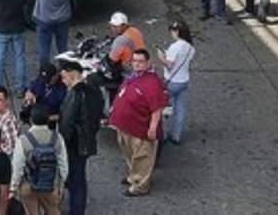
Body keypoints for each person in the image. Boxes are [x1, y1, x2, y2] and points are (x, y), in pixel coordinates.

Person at [108, 49, 167, 197]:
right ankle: (133, 177)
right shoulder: (132, 77)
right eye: (134, 61)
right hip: (124, 127)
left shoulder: (152, 83)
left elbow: (157, 109)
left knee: (142, 158)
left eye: (141, 61)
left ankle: (140, 186)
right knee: (131, 155)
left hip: (140, 130)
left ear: (148, 63)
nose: (137, 64)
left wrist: (153, 128)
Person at [57, 60, 103, 215]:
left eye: (64, 77)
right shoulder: (93, 91)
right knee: (79, 179)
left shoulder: (75, 94)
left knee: (75, 180)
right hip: (87, 141)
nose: (63, 82)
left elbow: (66, 122)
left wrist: (61, 143)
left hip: (74, 144)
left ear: (71, 73)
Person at [10, 104, 69, 215]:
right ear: (48, 119)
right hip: (51, 185)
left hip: (29, 185)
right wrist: (61, 186)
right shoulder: (57, 138)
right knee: (53, 211)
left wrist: (13, 188)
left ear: (31, 119)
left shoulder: (23, 140)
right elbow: (63, 165)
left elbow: (17, 166)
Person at [31, 0, 74, 68]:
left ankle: (45, 74)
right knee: (62, 47)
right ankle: (64, 72)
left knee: (44, 49)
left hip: (44, 18)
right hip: (63, 18)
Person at [158, 20, 195, 144]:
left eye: (172, 31)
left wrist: (161, 56)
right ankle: (176, 136)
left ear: (177, 32)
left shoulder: (175, 47)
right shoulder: (190, 47)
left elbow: (169, 65)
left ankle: (163, 134)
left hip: (172, 82)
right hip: (184, 80)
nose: (171, 34)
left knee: (164, 108)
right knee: (180, 108)